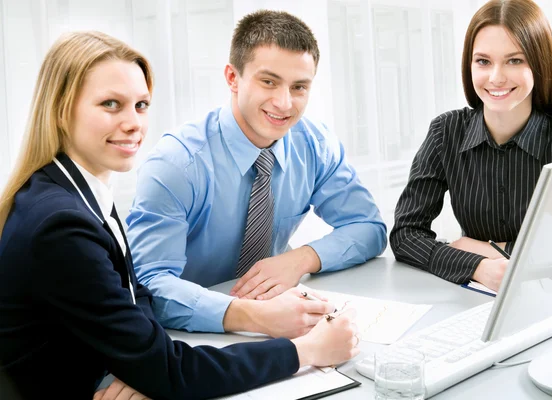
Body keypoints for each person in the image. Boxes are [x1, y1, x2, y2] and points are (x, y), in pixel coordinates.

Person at [0, 31, 359, 400]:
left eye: (141, 105)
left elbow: (133, 299)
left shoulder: (74, 192)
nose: (133, 123)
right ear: (61, 109)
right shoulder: (60, 225)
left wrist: (142, 369)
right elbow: (175, 370)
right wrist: (307, 350)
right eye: (111, 104)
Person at [126, 10, 387, 335]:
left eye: (299, 87)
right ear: (233, 78)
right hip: (185, 337)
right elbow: (149, 285)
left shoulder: (315, 145)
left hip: (276, 322)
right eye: (269, 82)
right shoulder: (176, 164)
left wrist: (302, 258)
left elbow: (369, 228)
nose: (284, 103)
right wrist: (254, 316)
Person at [390, 0, 552, 292]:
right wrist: (477, 267)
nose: (496, 77)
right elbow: (405, 235)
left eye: (515, 60)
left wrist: (490, 248)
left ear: (539, 64)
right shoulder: (446, 132)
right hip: (475, 298)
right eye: (483, 61)